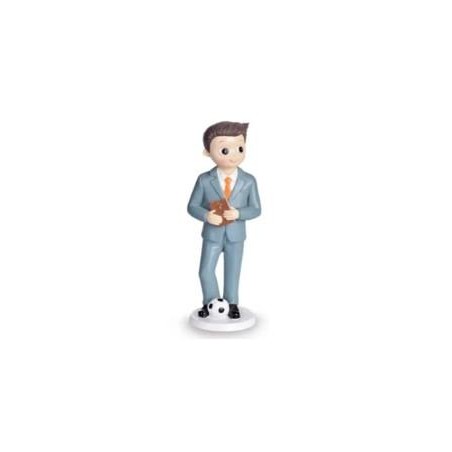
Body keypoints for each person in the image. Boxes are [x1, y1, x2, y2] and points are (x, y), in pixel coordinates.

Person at [187, 121, 261, 319]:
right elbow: (192, 206)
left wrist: (239, 214)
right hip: (212, 234)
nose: (234, 155)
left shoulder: (249, 181)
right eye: (225, 150)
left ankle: (232, 302)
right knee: (205, 270)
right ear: (207, 152)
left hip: (236, 236)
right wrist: (206, 215)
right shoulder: (204, 180)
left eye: (240, 148)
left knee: (233, 271)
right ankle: (211, 302)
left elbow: (256, 209)